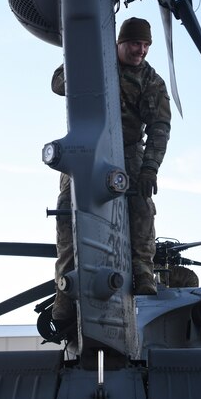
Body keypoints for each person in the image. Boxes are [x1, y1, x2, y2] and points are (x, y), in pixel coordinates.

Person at [51, 17, 172, 322]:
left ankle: (143, 271)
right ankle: (65, 289)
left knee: (141, 207)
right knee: (67, 212)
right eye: (135, 43)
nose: (140, 50)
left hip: (129, 151)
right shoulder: (98, 62)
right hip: (88, 150)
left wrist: (149, 170)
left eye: (145, 45)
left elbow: (160, 126)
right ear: (119, 42)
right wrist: (83, 59)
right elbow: (57, 84)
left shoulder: (151, 81)